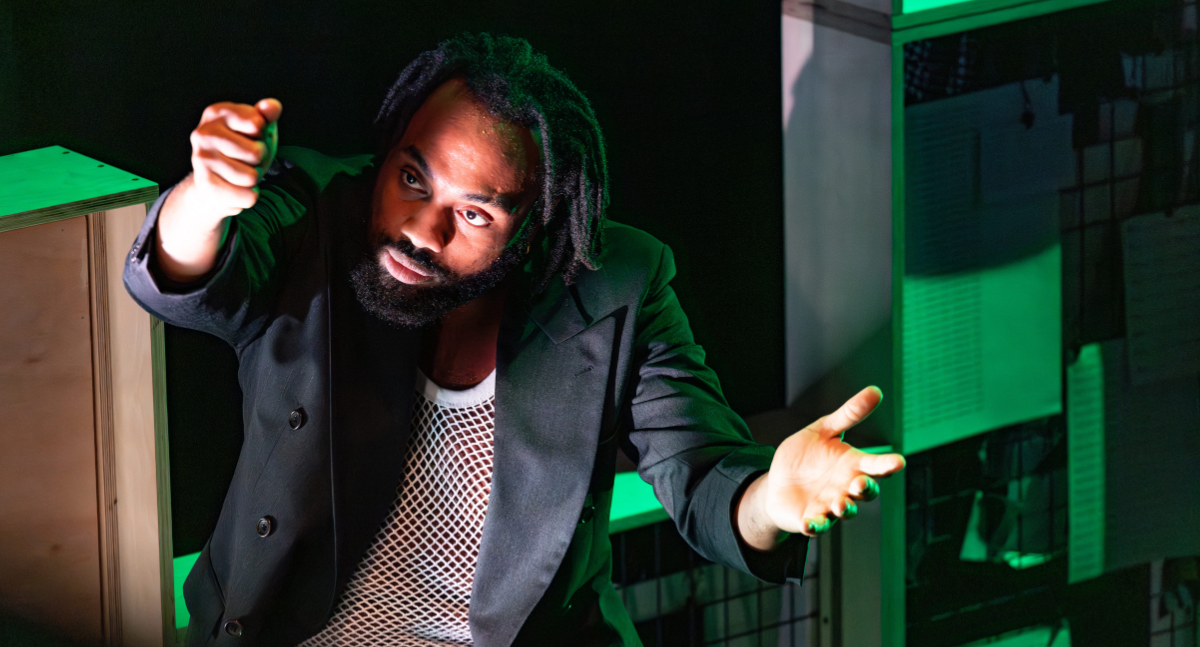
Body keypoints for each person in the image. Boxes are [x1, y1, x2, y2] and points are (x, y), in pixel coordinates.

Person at [124, 33, 905, 647]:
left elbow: (703, 479)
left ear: (533, 229)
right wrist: (208, 195)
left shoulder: (617, 286)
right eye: (411, 178)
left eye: (474, 214)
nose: (420, 229)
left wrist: (772, 499)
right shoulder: (320, 215)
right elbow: (188, 277)